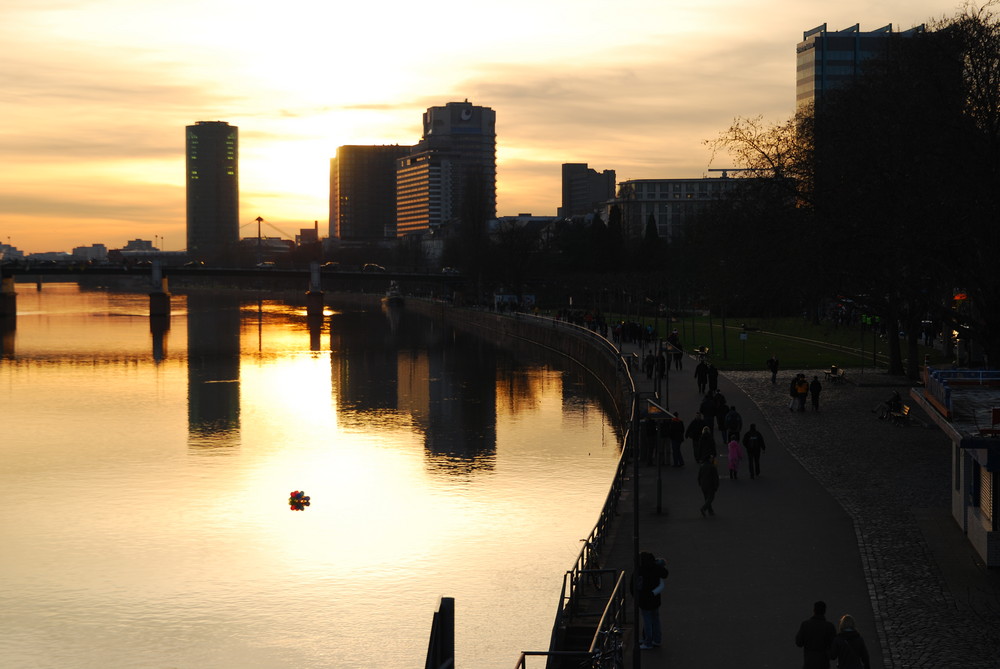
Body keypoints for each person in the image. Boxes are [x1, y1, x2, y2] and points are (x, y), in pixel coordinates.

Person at [636, 551, 669, 649]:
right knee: (655, 618)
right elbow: (665, 574)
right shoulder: (656, 568)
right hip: (655, 599)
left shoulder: (640, 570)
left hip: (644, 599)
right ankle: (657, 639)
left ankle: (648, 642)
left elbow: (636, 584)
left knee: (647, 620)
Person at [795, 600, 836, 668]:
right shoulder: (829, 627)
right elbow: (833, 647)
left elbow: (799, 643)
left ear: (814, 610)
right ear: (824, 611)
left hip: (809, 663)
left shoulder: (805, 625)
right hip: (823, 664)